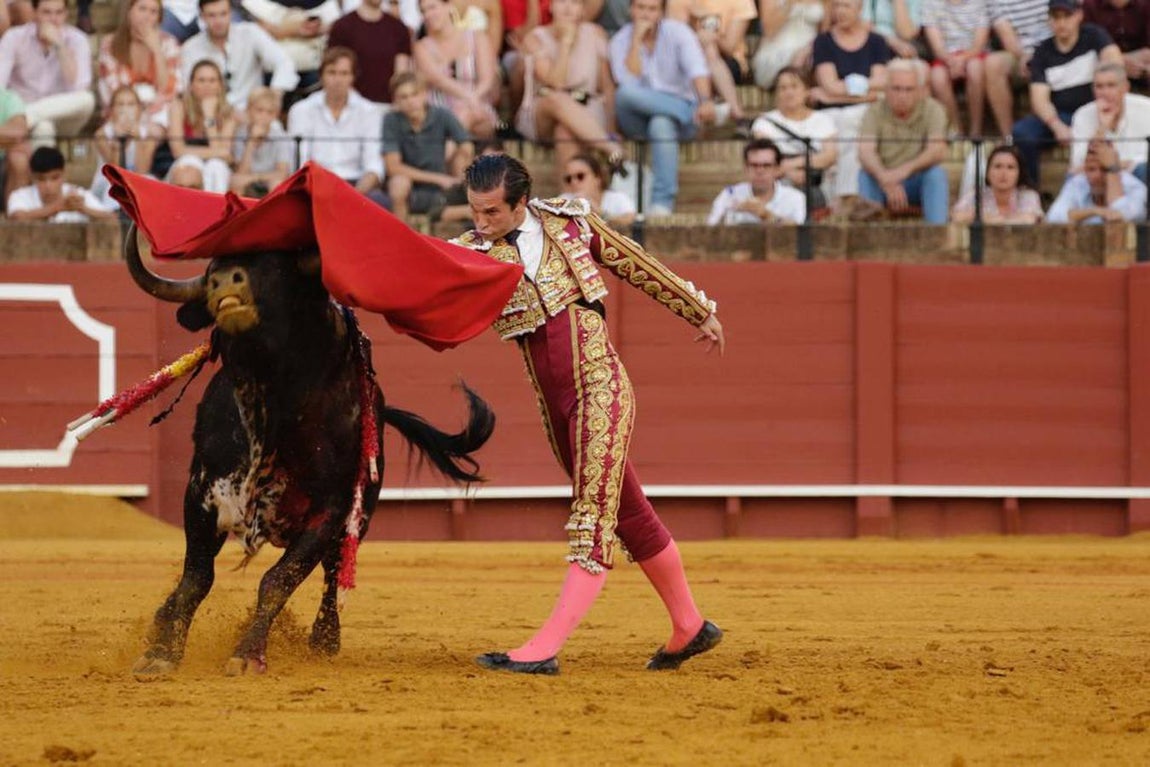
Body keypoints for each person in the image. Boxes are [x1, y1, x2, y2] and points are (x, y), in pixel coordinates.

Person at [452, 153, 725, 676]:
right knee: (629, 513)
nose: (480, 224)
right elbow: (415, 278)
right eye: (474, 212)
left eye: (491, 213)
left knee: (592, 517)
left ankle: (545, 647)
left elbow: (635, 263)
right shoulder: (468, 251)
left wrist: (699, 310)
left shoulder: (571, 224)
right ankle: (689, 625)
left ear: (520, 203)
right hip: (555, 410)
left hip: (600, 387)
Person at [608, 0, 715, 216]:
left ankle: (661, 204)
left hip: (673, 124)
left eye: (651, 9)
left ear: (661, 12)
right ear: (631, 9)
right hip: (636, 118)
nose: (645, 14)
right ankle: (687, 111)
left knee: (661, 123)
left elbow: (697, 70)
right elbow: (628, 81)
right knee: (625, 94)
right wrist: (636, 41)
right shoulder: (620, 40)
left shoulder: (679, 33)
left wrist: (705, 100)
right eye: (640, 7)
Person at [1010, 0, 1122, 190]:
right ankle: (1031, 193)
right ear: (1049, 20)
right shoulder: (1042, 52)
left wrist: (1104, 110)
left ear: (1079, 15)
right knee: (1022, 133)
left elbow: (1114, 63)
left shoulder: (1094, 36)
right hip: (1061, 115)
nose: (1061, 23)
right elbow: (1039, 99)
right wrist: (1056, 126)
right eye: (1056, 17)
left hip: (1095, 111)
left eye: (1067, 16)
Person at [515, 0, 624, 180]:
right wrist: (566, 42)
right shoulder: (534, 38)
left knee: (564, 131)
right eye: (561, 1)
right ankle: (611, 148)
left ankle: (570, 198)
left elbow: (607, 87)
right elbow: (556, 83)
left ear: (582, 8)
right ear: (551, 6)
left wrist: (612, 128)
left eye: (574, 2)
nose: (567, 7)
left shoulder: (596, 33)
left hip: (588, 108)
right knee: (557, 97)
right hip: (543, 111)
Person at [810, 0, 892, 204]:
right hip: (830, 112)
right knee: (839, 127)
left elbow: (881, 83)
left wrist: (836, 94)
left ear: (860, 8)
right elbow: (830, 84)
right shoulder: (823, 41)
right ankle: (845, 197)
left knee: (850, 123)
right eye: (836, 6)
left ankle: (841, 198)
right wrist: (866, 89)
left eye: (846, 5)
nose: (840, 11)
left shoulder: (876, 41)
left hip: (864, 110)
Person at [287, 46, 389, 207]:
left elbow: (374, 165)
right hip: (315, 183)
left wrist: (355, 195)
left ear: (352, 77)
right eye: (332, 72)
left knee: (379, 202)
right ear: (321, 76)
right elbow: (300, 162)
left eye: (344, 73)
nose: (338, 80)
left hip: (356, 184)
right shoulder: (301, 110)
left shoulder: (369, 112)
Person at [856, 57, 949, 222]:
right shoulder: (874, 111)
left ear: (919, 90)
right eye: (896, 89)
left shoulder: (933, 109)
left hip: (915, 180)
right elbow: (865, 152)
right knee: (865, 175)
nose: (902, 95)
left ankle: (937, 231)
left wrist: (901, 173)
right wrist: (885, 178)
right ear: (886, 89)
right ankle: (869, 235)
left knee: (936, 174)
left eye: (908, 89)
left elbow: (937, 151)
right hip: (882, 179)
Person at [0, 0, 95, 147]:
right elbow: (0, 83)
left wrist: (59, 46)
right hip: (23, 106)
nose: (53, 19)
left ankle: (26, 117)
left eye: (59, 13)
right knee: (44, 127)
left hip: (63, 115)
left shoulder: (78, 40)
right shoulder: (14, 37)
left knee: (87, 99)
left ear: (66, 14)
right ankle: (44, 169)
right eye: (47, 12)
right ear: (34, 14)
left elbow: (78, 89)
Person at [383, 71, 474, 220]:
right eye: (403, 97)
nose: (410, 101)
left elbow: (466, 145)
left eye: (414, 95)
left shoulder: (442, 115)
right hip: (411, 185)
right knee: (398, 184)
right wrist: (439, 178)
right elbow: (393, 167)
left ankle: (464, 208)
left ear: (425, 94)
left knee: (463, 157)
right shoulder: (391, 120)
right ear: (396, 100)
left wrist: (455, 163)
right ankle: (401, 237)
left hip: (443, 184)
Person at [180, 0, 300, 112]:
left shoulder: (250, 32)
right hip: (212, 116)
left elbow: (284, 62)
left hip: (253, 113)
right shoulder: (190, 47)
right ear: (202, 17)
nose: (218, 21)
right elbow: (187, 89)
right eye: (212, 15)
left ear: (231, 13)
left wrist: (274, 95)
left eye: (223, 14)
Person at [751, 65, 838, 210]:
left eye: (794, 86)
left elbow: (829, 156)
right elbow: (764, 161)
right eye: (783, 88)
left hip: (817, 183)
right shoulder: (764, 123)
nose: (789, 92)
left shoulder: (823, 119)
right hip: (779, 185)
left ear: (806, 91)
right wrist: (789, 173)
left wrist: (789, 165)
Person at [414, 0, 500, 140]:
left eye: (432, 8)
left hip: (478, 104)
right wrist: (469, 98)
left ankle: (438, 157)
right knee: (462, 115)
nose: (428, 14)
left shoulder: (477, 37)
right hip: (440, 110)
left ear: (449, 6)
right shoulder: (422, 47)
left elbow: (487, 79)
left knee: (468, 114)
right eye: (424, 11)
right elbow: (439, 80)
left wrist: (473, 99)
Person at [667, 0, 758, 125]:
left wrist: (711, 37)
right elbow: (673, 42)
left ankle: (708, 107)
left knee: (709, 48)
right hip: (688, 62)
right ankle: (735, 112)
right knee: (706, 50)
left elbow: (729, 47)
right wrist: (694, 36)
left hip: (729, 62)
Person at [97, 0, 182, 125]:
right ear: (129, 12)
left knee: (153, 129)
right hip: (123, 109)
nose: (147, 16)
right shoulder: (110, 44)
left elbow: (168, 89)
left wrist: (157, 51)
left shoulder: (169, 43)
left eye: (153, 12)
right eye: (142, 9)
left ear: (159, 18)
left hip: (159, 112)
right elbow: (113, 89)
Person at [1069, 61, 1150, 179]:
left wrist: (1114, 165)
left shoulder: (1146, 108)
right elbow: (1078, 162)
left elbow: (1145, 159)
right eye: (1099, 86)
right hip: (1098, 179)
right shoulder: (1082, 114)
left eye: (1111, 85)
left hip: (1136, 175)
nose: (1105, 93)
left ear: (1125, 87)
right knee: (1073, 177)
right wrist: (1102, 129)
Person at [922, 0, 990, 137]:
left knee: (975, 68)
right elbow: (937, 47)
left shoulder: (981, 3)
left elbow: (979, 45)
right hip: (946, 57)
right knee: (937, 76)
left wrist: (963, 59)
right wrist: (951, 61)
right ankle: (956, 130)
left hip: (974, 54)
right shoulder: (930, 4)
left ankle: (976, 130)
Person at [167, 59, 236, 193]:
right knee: (189, 162)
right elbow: (177, 150)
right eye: (201, 80)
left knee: (216, 166)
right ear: (192, 84)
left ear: (220, 85)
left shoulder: (228, 112)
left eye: (212, 80)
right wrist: (220, 152)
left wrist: (209, 116)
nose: (207, 86)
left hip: (217, 166)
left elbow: (224, 156)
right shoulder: (179, 105)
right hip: (184, 163)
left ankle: (215, 211)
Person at [326, 0, 413, 105]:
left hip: (388, 106)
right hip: (352, 106)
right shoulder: (342, 27)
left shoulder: (398, 28)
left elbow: (401, 74)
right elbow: (335, 70)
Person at [242, 0, 343, 88]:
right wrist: (290, 29)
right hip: (270, 73)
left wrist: (317, 29)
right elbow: (254, 29)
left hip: (315, 71)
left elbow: (336, 24)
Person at [985, 0, 1049, 138]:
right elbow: (1006, 33)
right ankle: (1009, 139)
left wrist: (1039, 57)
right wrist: (1024, 56)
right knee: (993, 64)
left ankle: (1038, 136)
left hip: (1052, 49)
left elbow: (1060, 19)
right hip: (1020, 53)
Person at [707, 138, 806, 224]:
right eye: (754, 165)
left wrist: (766, 215)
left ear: (777, 169)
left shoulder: (795, 198)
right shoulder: (729, 194)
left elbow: (801, 234)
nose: (760, 171)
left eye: (766, 165)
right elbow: (711, 230)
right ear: (746, 168)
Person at [1046, 139, 1147, 222]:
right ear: (1084, 169)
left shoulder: (1134, 186)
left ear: (1118, 170)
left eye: (1104, 170)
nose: (1097, 176)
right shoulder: (1078, 183)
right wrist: (1094, 211)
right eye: (1091, 169)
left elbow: (1121, 217)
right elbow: (1054, 217)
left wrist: (1112, 170)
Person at [91, 84, 159, 208]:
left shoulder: (149, 134)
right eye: (120, 105)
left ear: (139, 109)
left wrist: (137, 138)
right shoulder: (102, 134)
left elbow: (142, 170)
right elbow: (115, 170)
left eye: (131, 104)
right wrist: (118, 140)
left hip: (136, 179)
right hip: (109, 182)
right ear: (112, 110)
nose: (125, 110)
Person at [7, 145, 116, 222]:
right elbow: (17, 217)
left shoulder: (77, 194)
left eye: (54, 178)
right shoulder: (20, 196)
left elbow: (112, 218)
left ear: (64, 174)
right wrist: (59, 207)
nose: (48, 185)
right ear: (33, 177)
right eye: (41, 179)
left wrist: (83, 209)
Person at [951, 143, 1045, 223]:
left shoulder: (1028, 195)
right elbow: (956, 216)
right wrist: (986, 218)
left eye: (1010, 167)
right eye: (998, 166)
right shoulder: (977, 194)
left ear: (1019, 173)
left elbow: (1029, 219)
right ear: (988, 172)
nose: (1003, 173)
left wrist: (991, 219)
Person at [751, 0, 828, 90]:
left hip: (810, 48)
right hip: (778, 48)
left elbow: (825, 34)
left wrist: (809, 49)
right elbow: (769, 31)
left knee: (818, 63)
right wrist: (790, 3)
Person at [230, 86, 292, 196]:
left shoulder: (280, 136)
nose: (264, 116)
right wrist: (251, 142)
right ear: (248, 110)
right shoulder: (240, 133)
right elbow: (241, 173)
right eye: (259, 110)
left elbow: (283, 173)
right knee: (237, 184)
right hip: (248, 184)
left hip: (268, 181)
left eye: (270, 112)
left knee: (277, 184)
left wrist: (254, 177)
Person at [559, 151, 636, 227]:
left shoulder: (617, 198)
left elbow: (631, 221)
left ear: (597, 178)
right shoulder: (564, 199)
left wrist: (599, 213)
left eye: (580, 176)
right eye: (568, 179)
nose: (574, 182)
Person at [1084, 0, 1150, 88]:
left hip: (1144, 74)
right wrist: (1118, 61)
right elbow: (1084, 49)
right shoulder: (1090, 6)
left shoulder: (1146, 4)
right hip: (1105, 74)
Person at [0, 85, 31, 207]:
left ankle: (15, 213)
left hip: (3, 166)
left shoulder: (8, 98)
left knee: (20, 153)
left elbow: (18, 132)